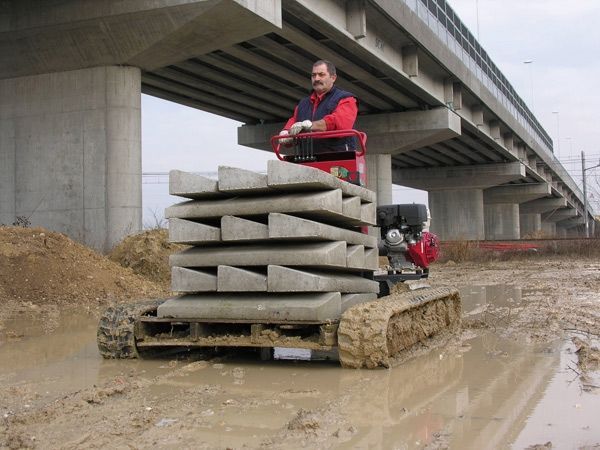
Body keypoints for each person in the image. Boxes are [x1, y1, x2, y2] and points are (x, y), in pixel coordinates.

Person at [279, 60, 358, 152]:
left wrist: (309, 125)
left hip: (339, 159)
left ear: (333, 78)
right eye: (313, 75)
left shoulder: (346, 99)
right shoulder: (302, 104)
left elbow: (339, 122)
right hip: (306, 160)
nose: (316, 79)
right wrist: (285, 132)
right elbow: (294, 121)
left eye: (321, 74)